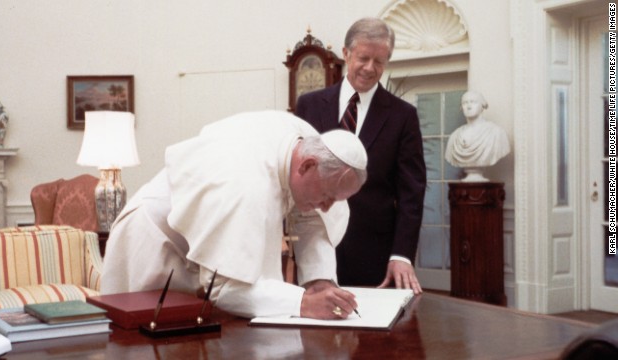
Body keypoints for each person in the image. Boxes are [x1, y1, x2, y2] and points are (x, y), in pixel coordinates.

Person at [100, 110, 368, 320]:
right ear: (307, 166)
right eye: (326, 197)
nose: (327, 207)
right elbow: (224, 287)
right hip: (152, 243)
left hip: (189, 248)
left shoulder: (306, 142)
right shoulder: (245, 184)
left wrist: (319, 281)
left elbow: (310, 218)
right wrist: (303, 303)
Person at [295, 17, 426, 294]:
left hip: (374, 255)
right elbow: (295, 172)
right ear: (346, 53)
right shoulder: (309, 106)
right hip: (314, 246)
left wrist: (401, 255)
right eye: (363, 58)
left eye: (379, 61)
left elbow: (411, 193)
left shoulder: (403, 116)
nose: (370, 68)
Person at [445, 90, 510, 169]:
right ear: (461, 107)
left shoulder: (497, 133)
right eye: (465, 103)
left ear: (482, 106)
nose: (469, 106)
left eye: (473, 102)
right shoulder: (454, 136)